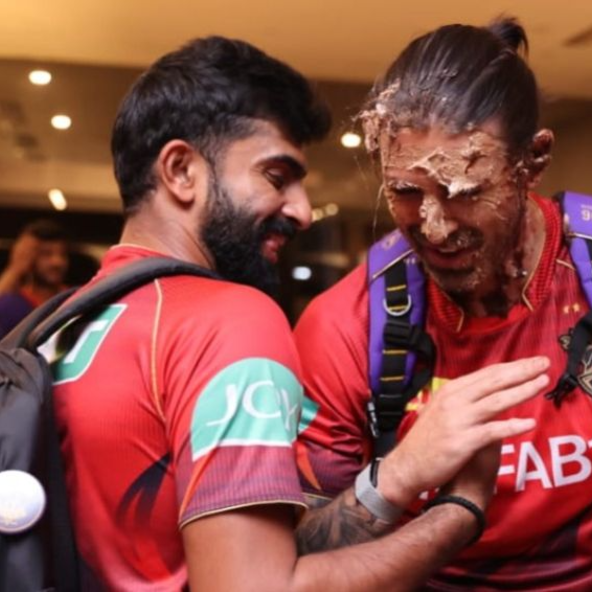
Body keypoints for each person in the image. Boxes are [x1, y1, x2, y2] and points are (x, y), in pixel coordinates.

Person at [48, 35, 549, 591]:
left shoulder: (54, 327)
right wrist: (460, 509)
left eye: (465, 190)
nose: (304, 212)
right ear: (181, 170)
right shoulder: (232, 323)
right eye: (276, 177)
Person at [295, 17, 592, 591]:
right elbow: (289, 560)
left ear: (533, 161)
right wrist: (398, 476)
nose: (433, 227)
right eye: (406, 191)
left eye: (465, 192)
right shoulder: (346, 324)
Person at [0, 219, 69, 337]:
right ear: (29, 258)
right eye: (47, 254)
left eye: (63, 254)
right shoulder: (11, 305)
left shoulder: (76, 297)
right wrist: (15, 268)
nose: (57, 261)